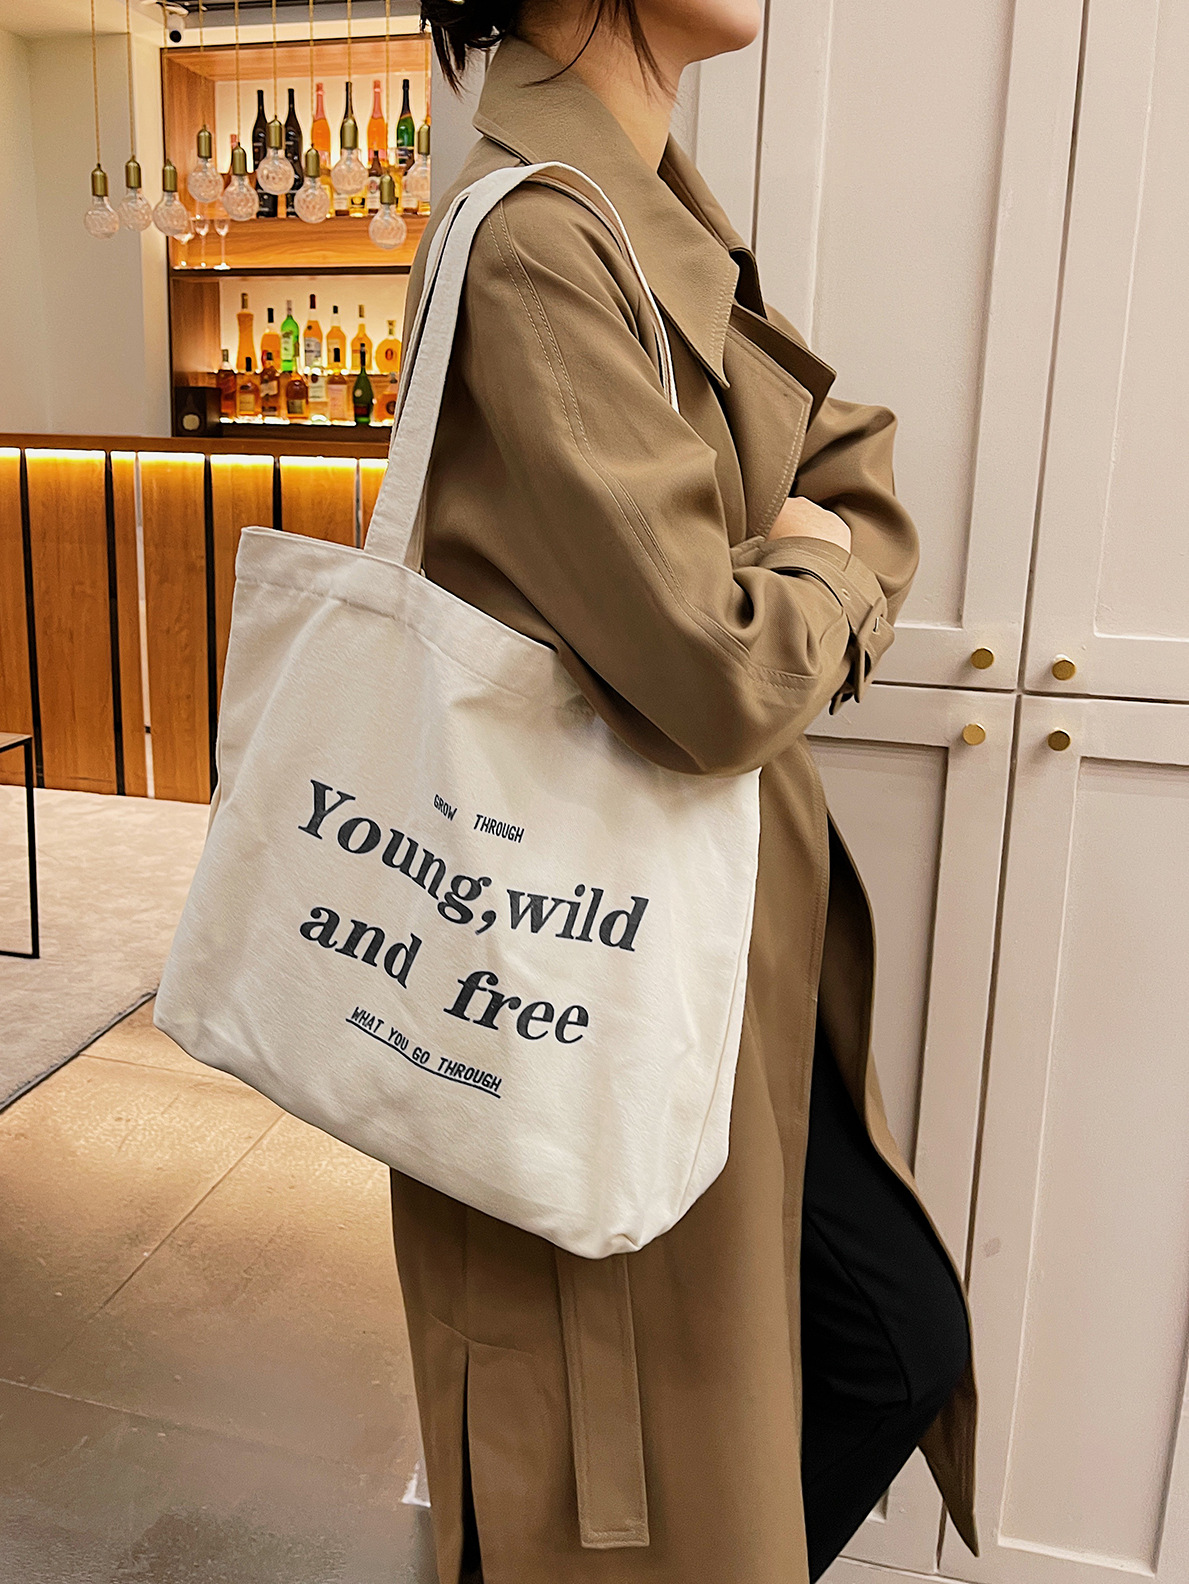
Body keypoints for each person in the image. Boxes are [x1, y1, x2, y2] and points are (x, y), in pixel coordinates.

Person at [390, 3, 979, 1580]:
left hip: (694, 932)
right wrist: (813, 569)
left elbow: (849, 469)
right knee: (618, 1436)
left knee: (858, 1349)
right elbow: (722, 671)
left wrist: (800, 563)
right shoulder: (536, 237)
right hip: (593, 941)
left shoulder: (642, 201)